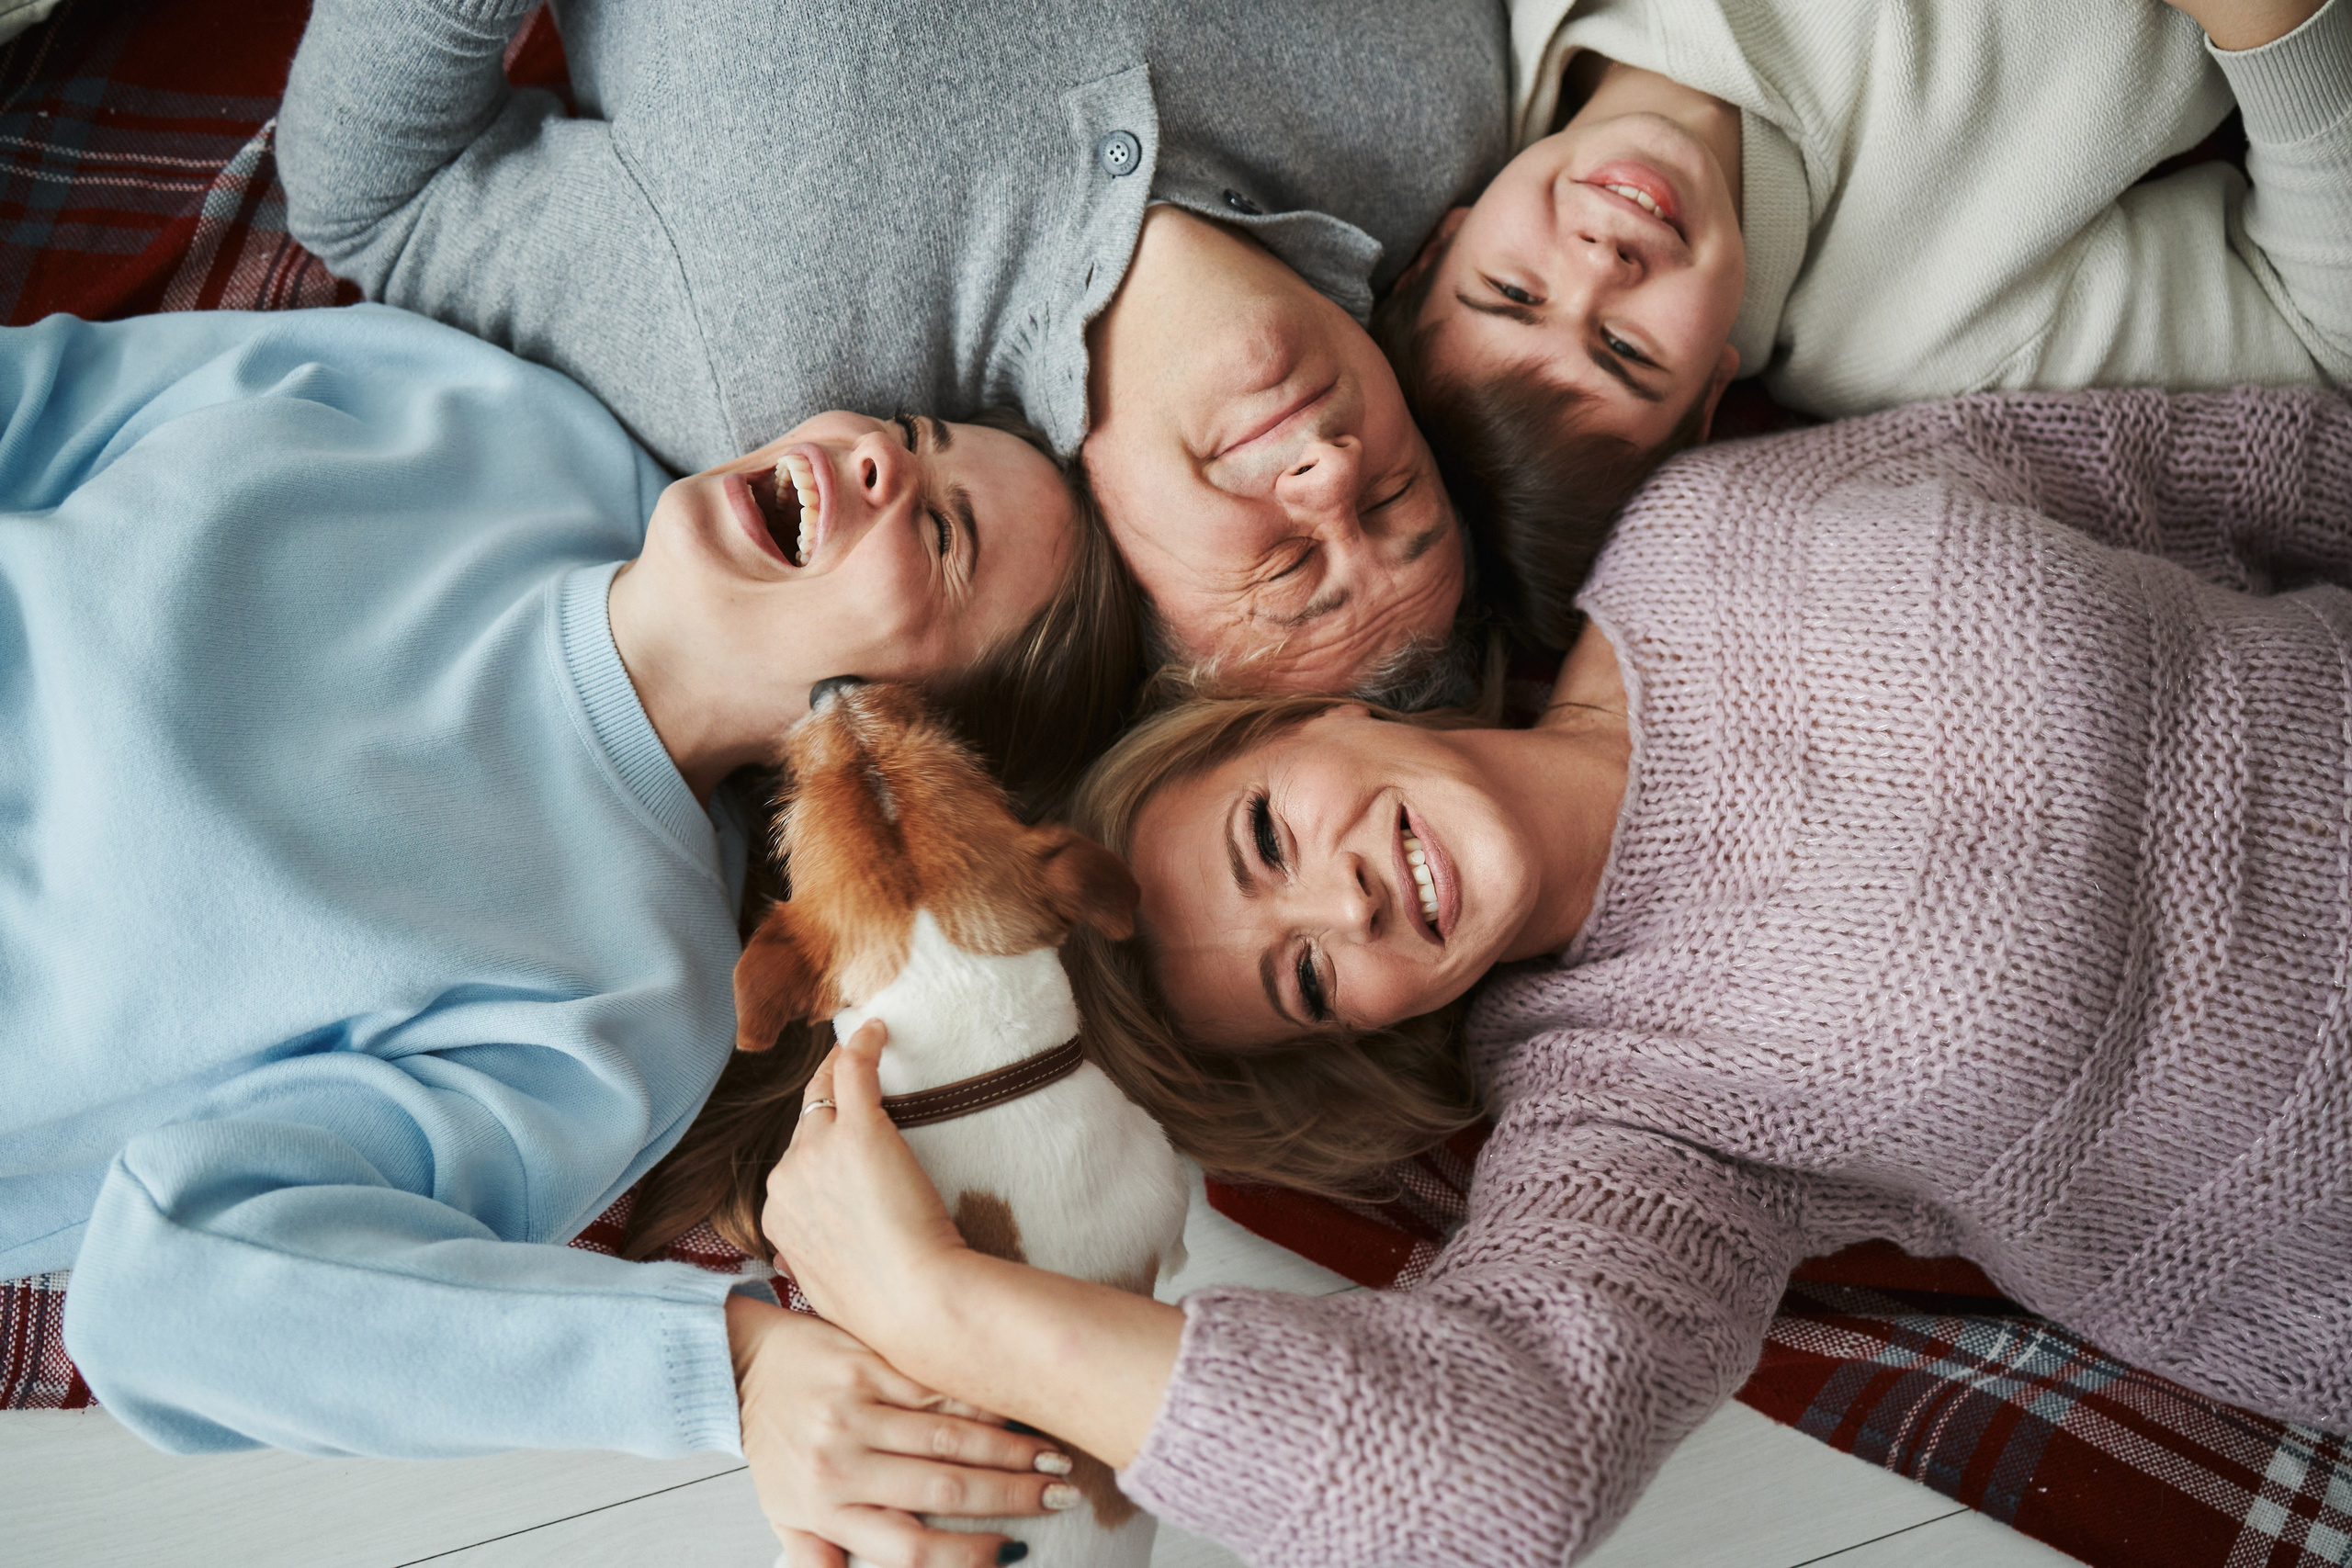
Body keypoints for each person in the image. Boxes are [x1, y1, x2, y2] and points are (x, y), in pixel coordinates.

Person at [759, 384, 2352, 1567]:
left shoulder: (1705, 525)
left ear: (1305, 715)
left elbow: (2212, 471)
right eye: (1308, 980)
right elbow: (1499, 1483)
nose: (1348, 904)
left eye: (1264, 840)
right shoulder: (1625, 1119)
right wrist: (943, 1306)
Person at [1, 303, 1140, 1567]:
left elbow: (170, 1288)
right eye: (916, 434)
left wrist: (734, 1365)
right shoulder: (506, 408)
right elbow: (39, 403)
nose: (879, 451)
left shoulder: (626, 1001)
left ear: (902, 733)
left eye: (939, 532)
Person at [277, 0, 1512, 696]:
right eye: (1399, 496)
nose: (1332, 480)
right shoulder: (1437, 119)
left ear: (1134, 600)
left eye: (1290, 570)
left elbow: (373, 197)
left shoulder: (778, 363)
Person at [1374, 0, 2352, 647]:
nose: (1597, 266)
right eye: (1626, 351)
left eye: (1511, 292)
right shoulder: (1929, 329)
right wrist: (2268, 21)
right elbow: (2324, 333)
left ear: (1438, 249)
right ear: (1712, 390)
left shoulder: (1474, 37)